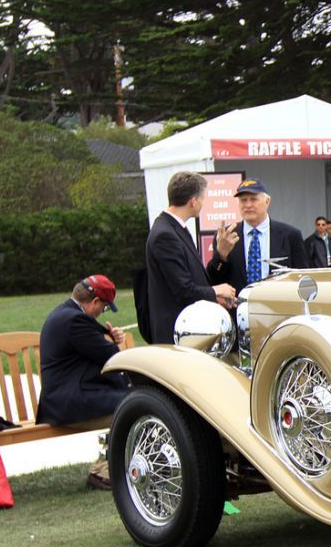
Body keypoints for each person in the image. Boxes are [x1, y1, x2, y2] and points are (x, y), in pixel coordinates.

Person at [38, 275, 131, 488]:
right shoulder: (75, 321)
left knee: (131, 399)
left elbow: (94, 347)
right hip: (68, 402)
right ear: (95, 302)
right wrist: (112, 343)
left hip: (65, 397)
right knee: (133, 405)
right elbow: (110, 356)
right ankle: (103, 471)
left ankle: (106, 467)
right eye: (104, 307)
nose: (101, 312)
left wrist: (108, 337)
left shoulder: (66, 314)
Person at [145, 170, 236, 344]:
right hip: (177, 334)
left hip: (188, 328)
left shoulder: (175, 229)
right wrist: (216, 291)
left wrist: (220, 257)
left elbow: (193, 279)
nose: (203, 204)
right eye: (202, 199)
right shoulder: (165, 234)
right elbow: (182, 289)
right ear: (193, 201)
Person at [207, 179, 309, 290]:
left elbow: (302, 278)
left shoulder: (290, 235)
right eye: (243, 200)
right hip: (239, 304)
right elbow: (213, 280)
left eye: (253, 199)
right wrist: (221, 256)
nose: (248, 205)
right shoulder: (227, 236)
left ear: (267, 201)